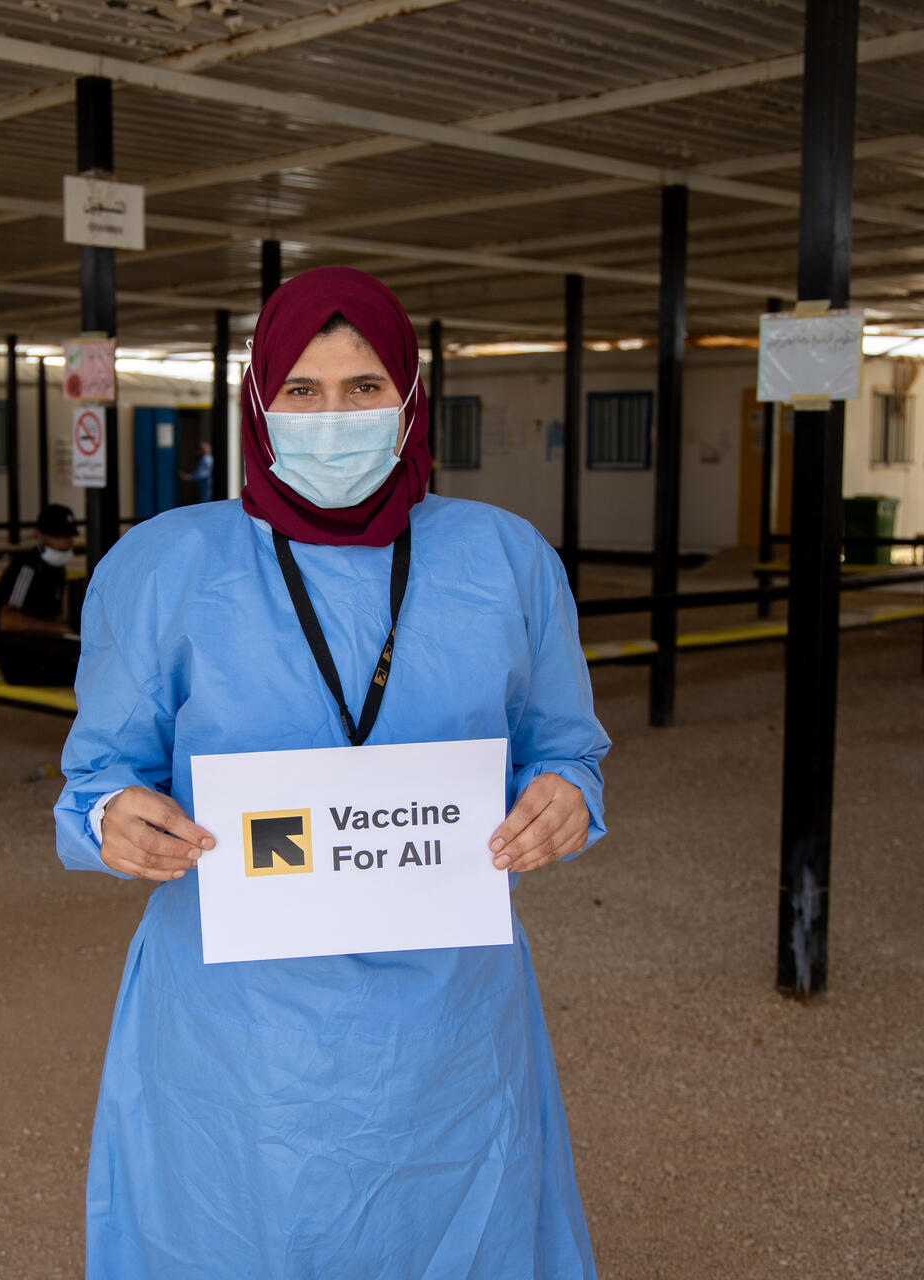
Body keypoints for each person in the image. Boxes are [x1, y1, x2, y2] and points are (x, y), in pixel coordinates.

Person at [54, 267, 610, 1278]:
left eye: (363, 387)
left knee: (452, 1227)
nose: (333, 415)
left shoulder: (502, 560)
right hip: (233, 1024)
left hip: (447, 1018)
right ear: (258, 403)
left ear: (408, 399)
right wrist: (109, 821)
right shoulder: (163, 567)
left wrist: (568, 797)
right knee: (238, 1230)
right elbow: (97, 777)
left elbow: (563, 747)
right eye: (300, 391)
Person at [0, 502, 79, 687]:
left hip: (44, 651)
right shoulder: (27, 568)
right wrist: (59, 630)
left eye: (68, 536)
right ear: (38, 535)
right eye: (57, 536)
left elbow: (55, 617)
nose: (64, 543)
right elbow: (7, 620)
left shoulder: (57, 571)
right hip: (22, 662)